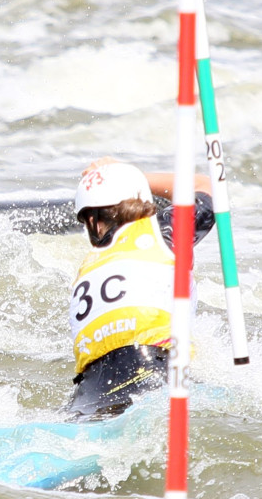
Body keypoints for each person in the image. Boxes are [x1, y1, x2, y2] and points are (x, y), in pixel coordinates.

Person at [65, 156, 215, 418]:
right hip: (151, 375)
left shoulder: (88, 266)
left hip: (85, 394)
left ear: (90, 220)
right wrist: (133, 174)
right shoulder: (162, 233)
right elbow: (209, 186)